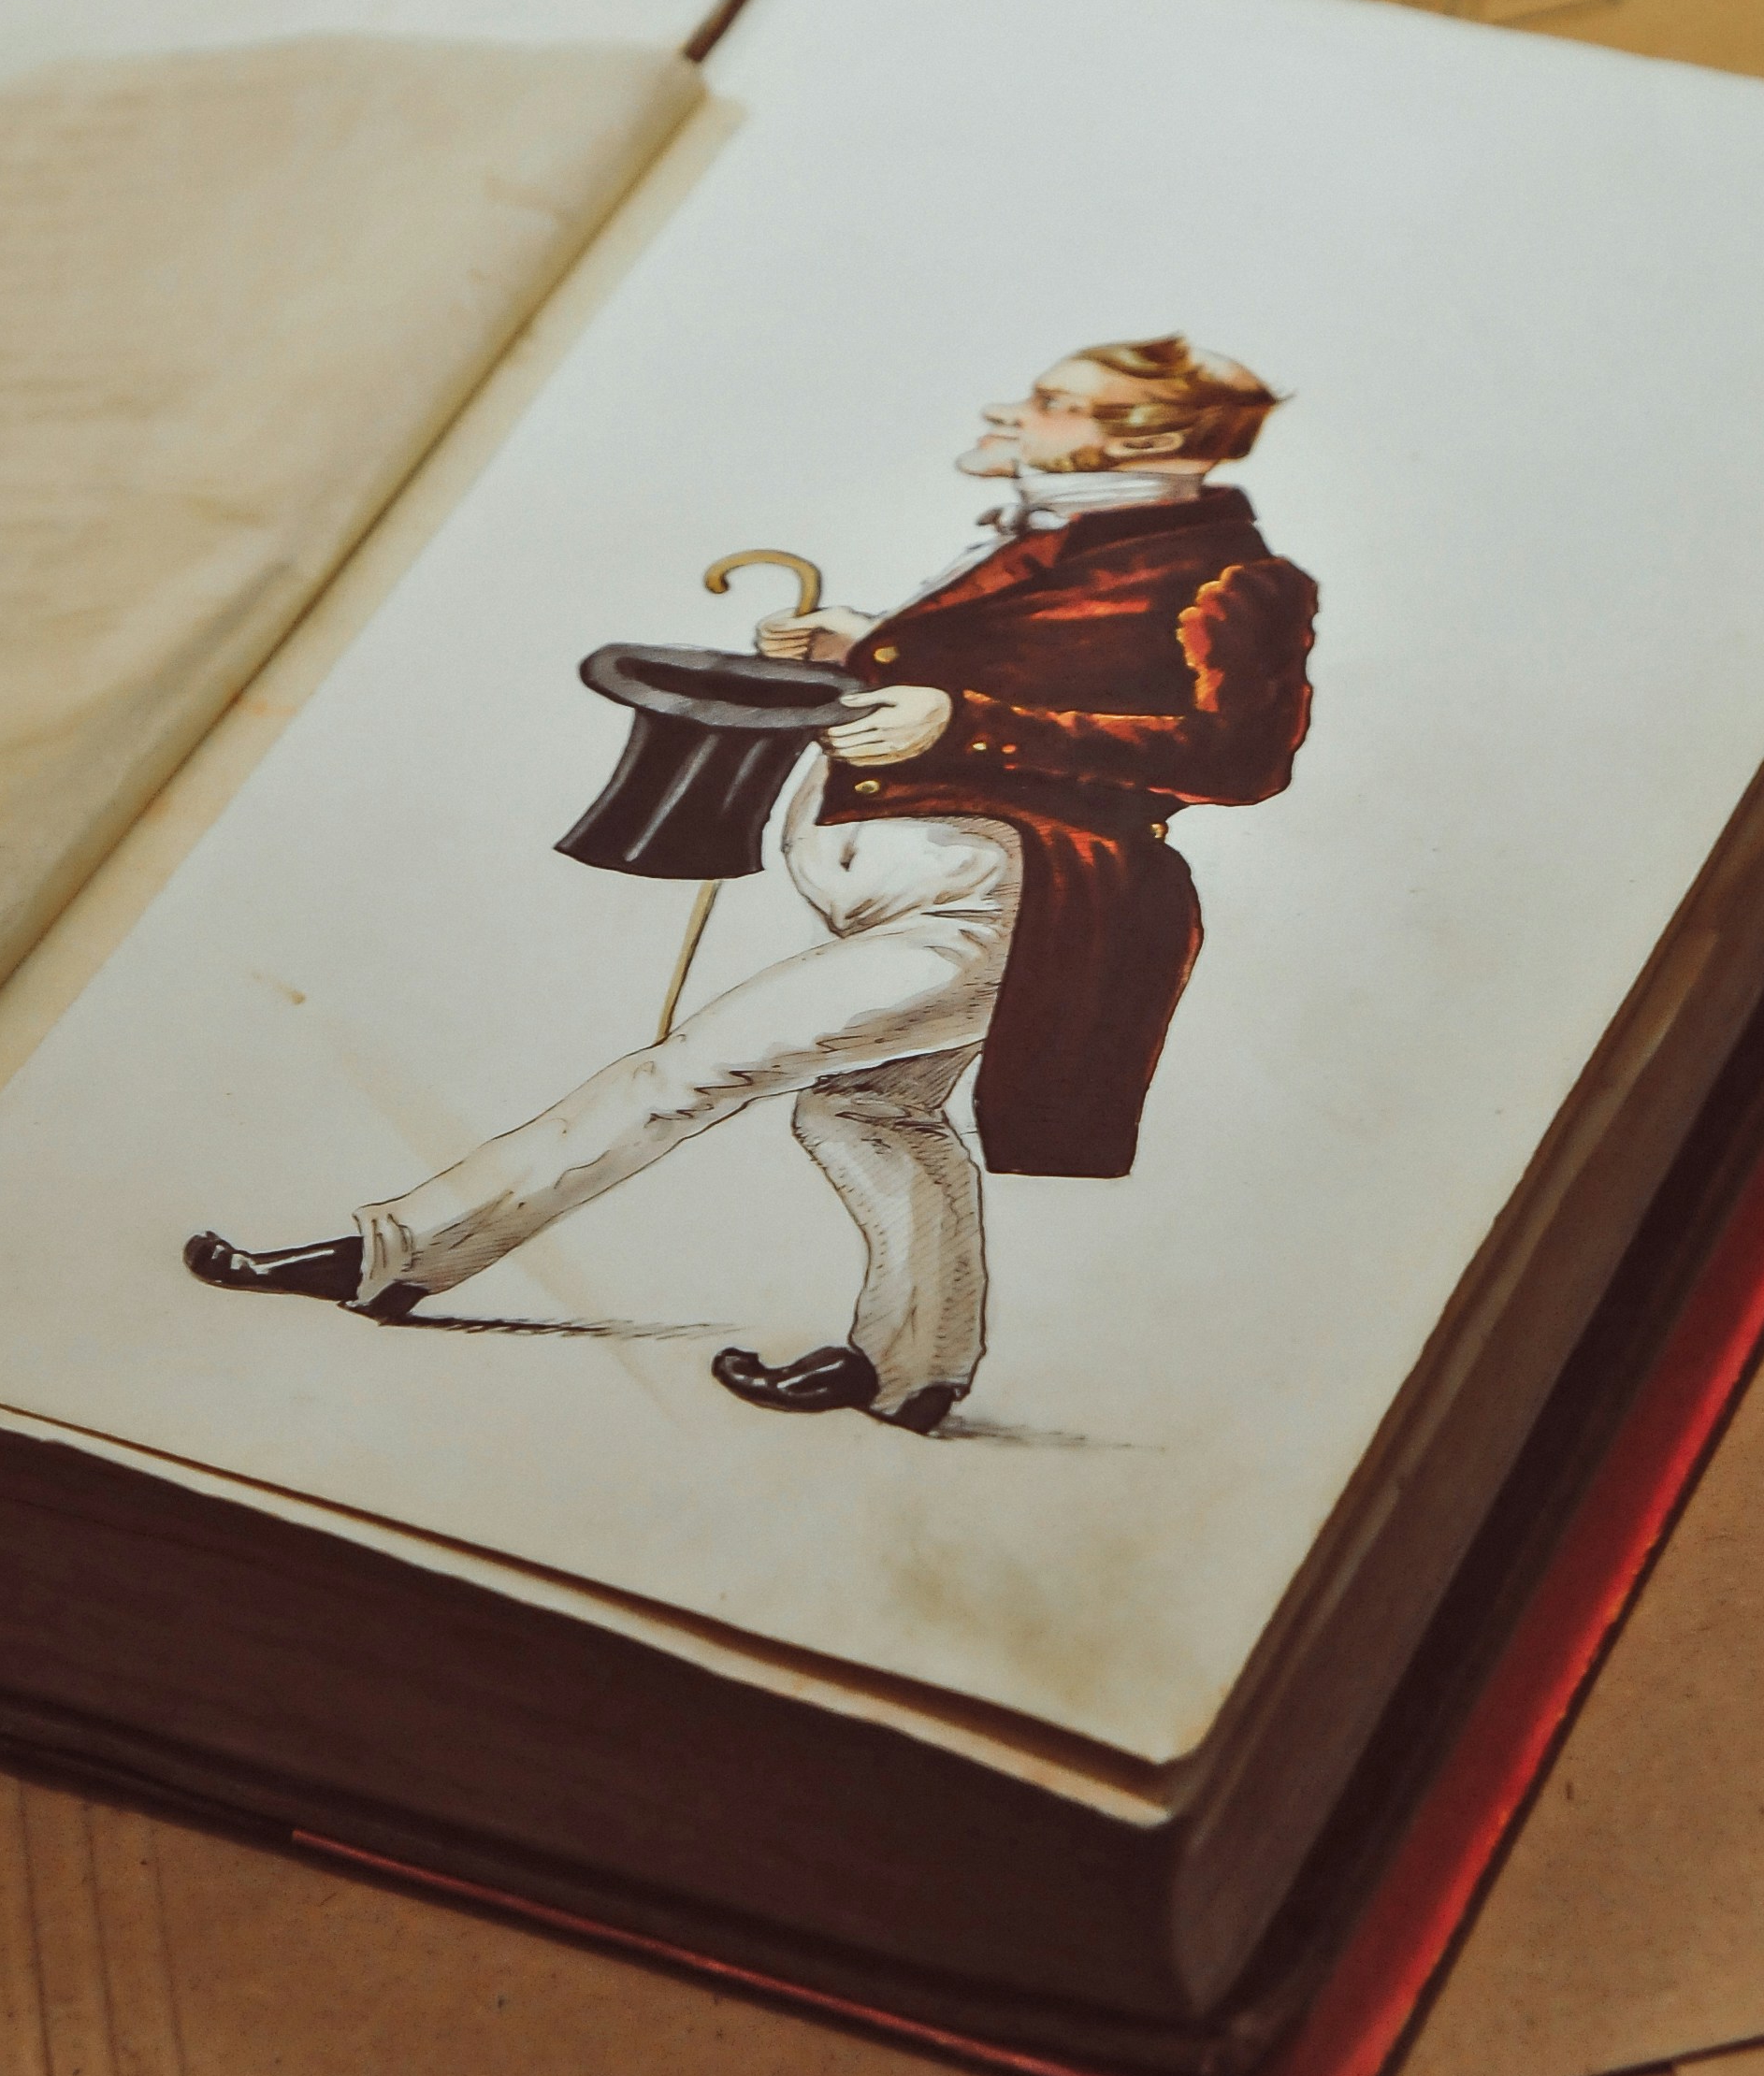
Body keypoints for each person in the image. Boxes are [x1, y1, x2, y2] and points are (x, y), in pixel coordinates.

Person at [185, 337, 1318, 1431]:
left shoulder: (1236, 577)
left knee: (687, 1070)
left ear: (1153, 434)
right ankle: (910, 1370)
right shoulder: (1070, 540)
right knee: (869, 1109)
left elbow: (1236, 757)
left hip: (1009, 905)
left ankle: (389, 1254)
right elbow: (1055, 673)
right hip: (924, 895)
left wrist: (963, 715)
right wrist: (868, 647)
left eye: (1051, 400)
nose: (1011, 412)